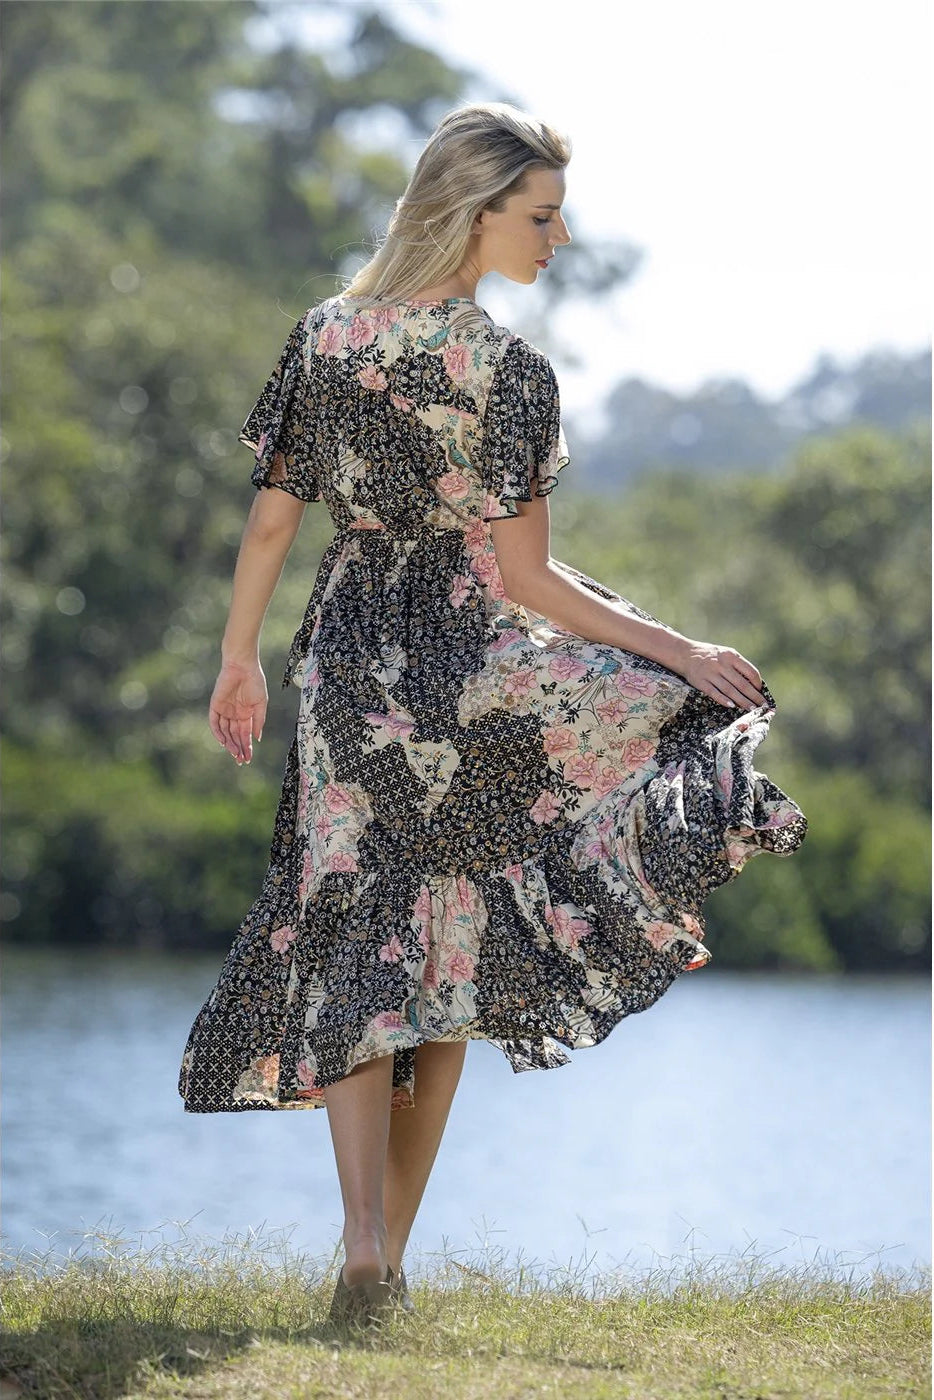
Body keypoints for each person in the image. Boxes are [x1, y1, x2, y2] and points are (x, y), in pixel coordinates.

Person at [177, 101, 808, 1328]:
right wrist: (678, 653)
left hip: (349, 661)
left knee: (353, 931)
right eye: (538, 213)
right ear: (470, 212)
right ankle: (386, 1259)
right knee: (445, 953)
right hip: (468, 668)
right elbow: (528, 582)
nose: (557, 236)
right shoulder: (510, 372)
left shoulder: (326, 338)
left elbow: (271, 521)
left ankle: (366, 1247)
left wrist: (236, 659)